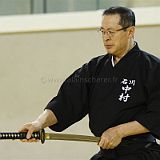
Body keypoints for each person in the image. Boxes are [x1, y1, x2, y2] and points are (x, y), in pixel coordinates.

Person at [19, 6, 160, 160]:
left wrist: (120, 131)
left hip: (142, 153)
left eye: (111, 32)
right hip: (106, 154)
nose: (106, 37)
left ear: (130, 31)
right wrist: (38, 124)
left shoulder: (152, 68)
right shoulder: (94, 68)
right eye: (102, 31)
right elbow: (66, 101)